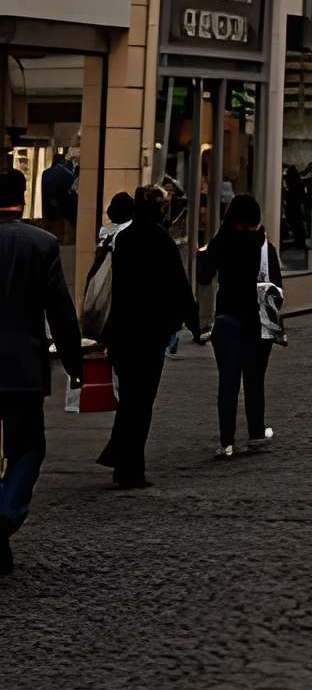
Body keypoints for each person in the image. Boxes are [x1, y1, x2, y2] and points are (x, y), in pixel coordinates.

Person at [0, 164, 83, 577]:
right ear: (23, 197)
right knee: (27, 448)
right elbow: (60, 311)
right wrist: (74, 362)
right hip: (21, 367)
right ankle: (4, 516)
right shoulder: (42, 244)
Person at [100, 186, 201, 488]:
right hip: (148, 334)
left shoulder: (124, 239)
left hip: (123, 331)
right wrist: (194, 322)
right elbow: (178, 285)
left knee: (130, 398)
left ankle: (122, 459)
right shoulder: (160, 240)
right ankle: (128, 465)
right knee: (140, 401)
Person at [196, 193, 279, 462]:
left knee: (228, 382)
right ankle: (256, 432)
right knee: (255, 379)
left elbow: (204, 275)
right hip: (257, 321)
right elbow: (276, 287)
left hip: (227, 318)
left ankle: (226, 441)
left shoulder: (222, 242)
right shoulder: (264, 247)